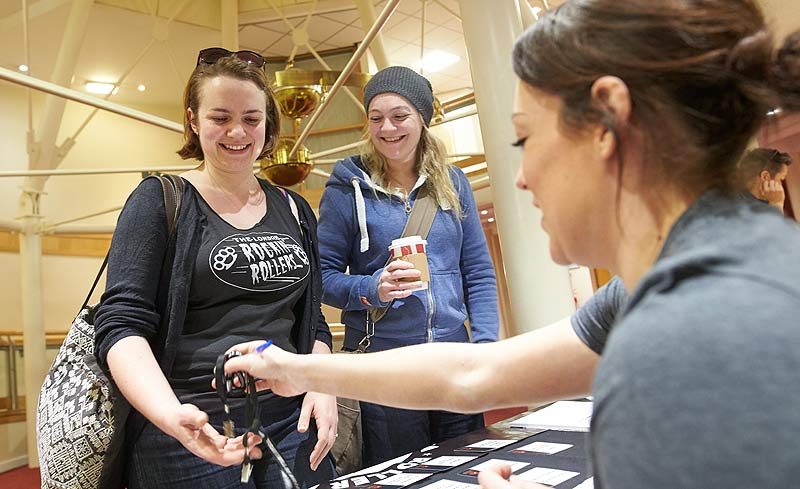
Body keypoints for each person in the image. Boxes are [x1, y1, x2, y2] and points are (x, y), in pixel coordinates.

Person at [226, 1, 800, 488]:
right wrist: (298, 370)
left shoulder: (716, 331)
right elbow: (473, 374)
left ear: (608, 120)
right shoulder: (648, 293)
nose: (520, 178)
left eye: (526, 137)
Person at [94, 48, 337, 488]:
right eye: (220, 117)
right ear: (192, 120)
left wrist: (322, 383)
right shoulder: (159, 200)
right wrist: (171, 416)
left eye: (251, 118)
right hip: (191, 424)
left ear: (268, 124)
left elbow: (313, 320)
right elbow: (121, 326)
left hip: (292, 420)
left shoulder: (295, 209)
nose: (237, 132)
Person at [315, 65, 500, 467]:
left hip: (455, 358)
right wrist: (372, 287)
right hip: (387, 365)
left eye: (400, 116)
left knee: (466, 468)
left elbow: (479, 274)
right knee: (402, 472)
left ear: (422, 119)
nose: (388, 129)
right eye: (376, 118)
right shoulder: (348, 186)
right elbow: (322, 277)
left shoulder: (453, 182)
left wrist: (485, 348)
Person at [737, 147, 793, 211]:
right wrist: (777, 204)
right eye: (781, 179)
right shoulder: (738, 209)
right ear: (765, 176)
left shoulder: (764, 203)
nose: (781, 186)